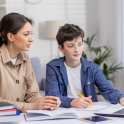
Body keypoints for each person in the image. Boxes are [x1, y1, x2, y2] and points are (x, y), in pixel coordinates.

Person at [46, 23, 124, 108]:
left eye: (79, 44)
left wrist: (120, 97)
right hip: (64, 112)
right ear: (61, 48)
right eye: (71, 46)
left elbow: (108, 90)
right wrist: (72, 101)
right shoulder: (53, 67)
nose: (77, 50)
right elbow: (52, 96)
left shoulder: (92, 67)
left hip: (88, 111)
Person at [0, 13, 61, 112]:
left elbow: (32, 93)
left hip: (24, 117)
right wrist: (26, 107)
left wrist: (45, 102)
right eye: (26, 34)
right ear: (11, 36)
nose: (31, 39)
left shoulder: (25, 58)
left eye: (31, 34)